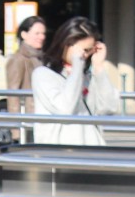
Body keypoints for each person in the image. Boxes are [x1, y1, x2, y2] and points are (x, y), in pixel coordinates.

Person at [30, 16, 120, 145]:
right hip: (59, 153)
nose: (85, 55)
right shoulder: (43, 75)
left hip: (91, 151)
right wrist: (77, 65)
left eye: (89, 50)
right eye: (83, 50)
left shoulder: (87, 74)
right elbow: (65, 109)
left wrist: (99, 67)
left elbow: (109, 107)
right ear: (66, 44)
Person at [6, 15, 46, 118]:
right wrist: (16, 131)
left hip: (42, 115)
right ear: (24, 34)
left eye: (43, 33)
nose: (42, 37)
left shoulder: (41, 57)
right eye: (37, 33)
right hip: (29, 117)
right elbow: (13, 96)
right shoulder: (18, 59)